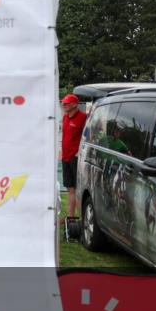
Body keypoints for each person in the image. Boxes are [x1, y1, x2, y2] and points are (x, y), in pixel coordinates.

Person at [61, 94, 88, 225]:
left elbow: (88, 136)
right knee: (70, 188)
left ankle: (83, 219)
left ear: (74, 104)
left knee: (78, 189)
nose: (64, 105)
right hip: (65, 157)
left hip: (76, 158)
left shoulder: (83, 117)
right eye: (63, 103)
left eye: (66, 103)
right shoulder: (65, 117)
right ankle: (71, 219)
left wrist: (79, 152)